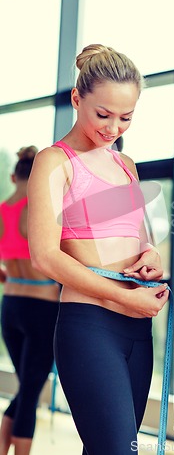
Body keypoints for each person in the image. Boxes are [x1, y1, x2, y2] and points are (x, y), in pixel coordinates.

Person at [27, 44, 169, 455]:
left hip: (138, 330)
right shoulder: (55, 162)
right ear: (76, 99)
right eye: (102, 114)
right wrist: (122, 294)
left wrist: (151, 257)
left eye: (126, 118)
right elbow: (46, 255)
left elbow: (143, 236)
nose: (113, 128)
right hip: (90, 326)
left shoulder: (127, 166)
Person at [0, 146, 60, 455]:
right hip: (42, 306)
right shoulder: (37, 205)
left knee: (26, 386)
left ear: (13, 175)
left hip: (10, 307)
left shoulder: (2, 209)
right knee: (30, 389)